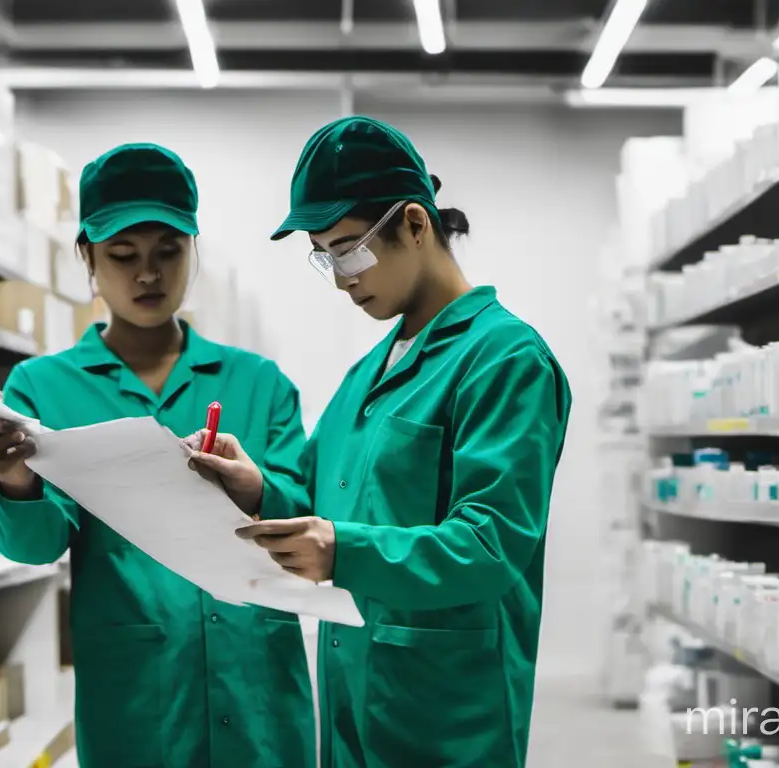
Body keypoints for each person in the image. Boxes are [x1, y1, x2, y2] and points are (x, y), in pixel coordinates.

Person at [185, 116, 572, 768]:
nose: (340, 277)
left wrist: (343, 552)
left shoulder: (505, 359)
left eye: (349, 250)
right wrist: (258, 487)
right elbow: (318, 494)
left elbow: (492, 543)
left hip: (446, 715)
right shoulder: (370, 372)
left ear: (416, 225)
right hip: (352, 701)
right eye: (324, 255)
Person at [0, 143, 314, 768]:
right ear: (87, 258)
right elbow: (35, 546)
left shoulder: (259, 383)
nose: (148, 275)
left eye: (168, 252)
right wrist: (14, 480)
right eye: (123, 256)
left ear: (194, 249)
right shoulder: (42, 388)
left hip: (254, 676)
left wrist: (254, 489)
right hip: (138, 690)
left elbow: (305, 518)